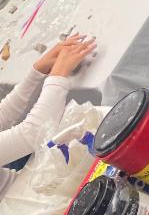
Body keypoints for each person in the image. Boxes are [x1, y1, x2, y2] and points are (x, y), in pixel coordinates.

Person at [0, 35, 97, 199]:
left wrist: (37, 72)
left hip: (25, 185)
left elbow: (4, 114)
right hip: (24, 205)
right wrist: (58, 74)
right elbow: (33, 134)